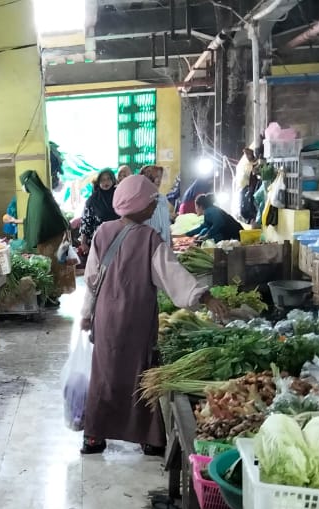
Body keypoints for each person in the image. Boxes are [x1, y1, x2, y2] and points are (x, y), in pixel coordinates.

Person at [80, 175, 228, 456]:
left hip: (107, 317)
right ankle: (148, 438)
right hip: (136, 317)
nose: (153, 207)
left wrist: (87, 313)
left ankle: (94, 436)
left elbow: (91, 279)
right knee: (141, 372)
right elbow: (172, 276)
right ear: (136, 205)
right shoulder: (149, 239)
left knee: (104, 373)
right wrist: (205, 297)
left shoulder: (102, 233)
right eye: (151, 202)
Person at [20, 169, 76, 297]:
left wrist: (35, 237)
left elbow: (45, 219)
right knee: (49, 268)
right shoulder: (36, 196)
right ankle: (50, 295)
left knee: (52, 268)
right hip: (48, 239)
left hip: (52, 239)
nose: (23, 188)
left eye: (23, 184)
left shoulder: (41, 196)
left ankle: (52, 296)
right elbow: (33, 219)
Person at [78, 170, 119, 256]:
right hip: (99, 243)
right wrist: (83, 243)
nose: (106, 182)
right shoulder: (93, 200)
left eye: (108, 179)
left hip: (118, 240)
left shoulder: (120, 196)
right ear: (98, 182)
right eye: (102, 180)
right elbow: (85, 223)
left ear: (113, 180)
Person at [140, 165, 172, 245]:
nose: (159, 180)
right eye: (156, 177)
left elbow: (166, 224)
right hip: (149, 246)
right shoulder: (141, 201)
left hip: (164, 246)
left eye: (160, 177)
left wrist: (170, 240)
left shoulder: (163, 199)